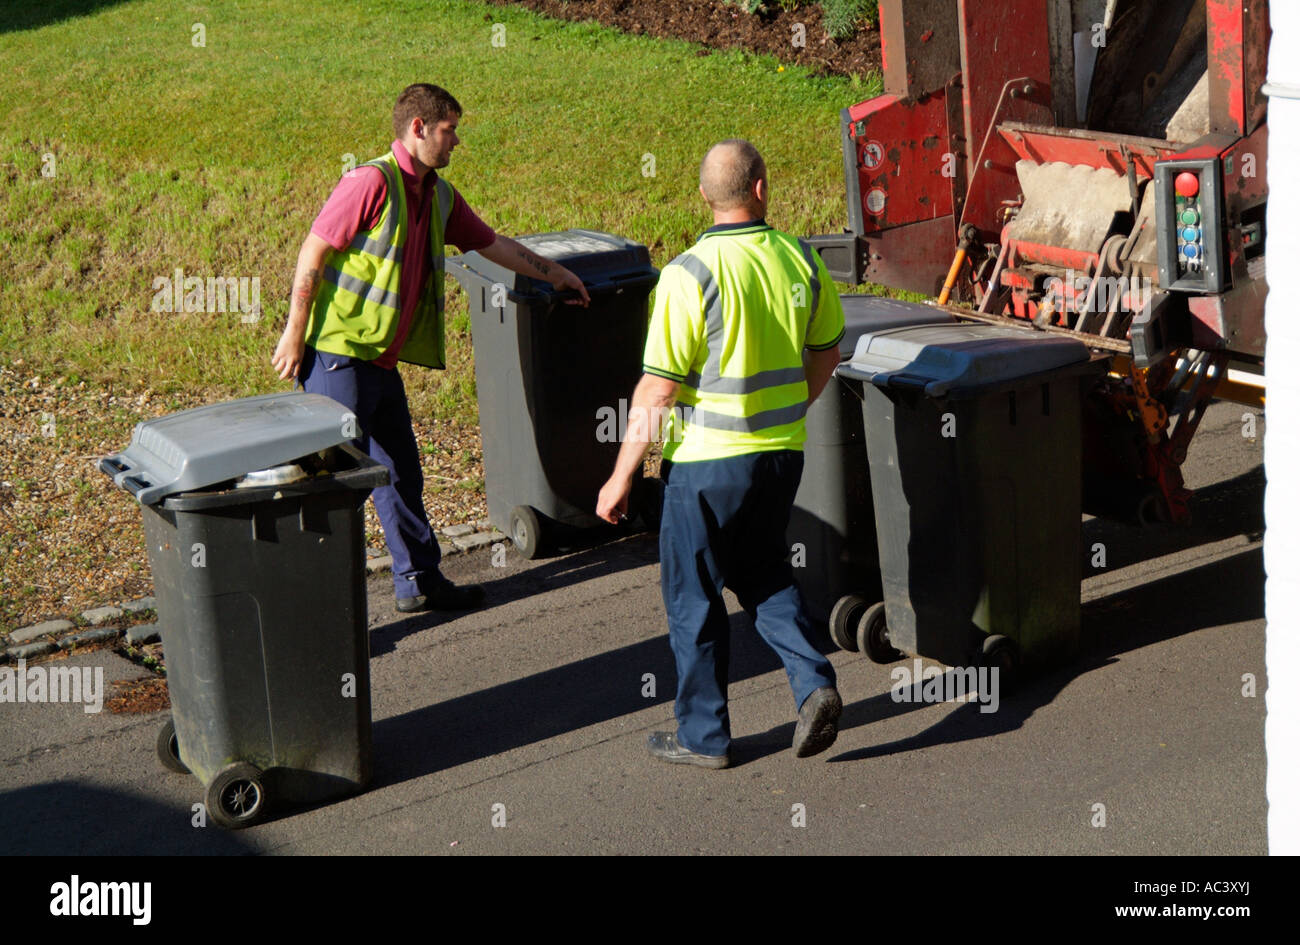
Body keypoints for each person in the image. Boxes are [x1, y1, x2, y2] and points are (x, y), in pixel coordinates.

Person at [272, 83, 590, 613]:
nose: (456, 141)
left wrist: (556, 273)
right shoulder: (369, 182)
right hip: (335, 356)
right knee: (328, 490)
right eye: (449, 130)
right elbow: (315, 249)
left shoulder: (438, 194)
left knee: (400, 473)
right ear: (418, 128)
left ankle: (418, 582)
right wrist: (294, 328)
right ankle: (308, 612)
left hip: (377, 362)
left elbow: (491, 244)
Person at [596, 139, 846, 768]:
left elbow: (657, 386)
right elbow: (826, 354)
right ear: (761, 188)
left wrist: (622, 474)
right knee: (763, 573)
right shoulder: (802, 260)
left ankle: (703, 738)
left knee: (693, 595)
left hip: (707, 465)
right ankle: (814, 684)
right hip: (781, 456)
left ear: (704, 198)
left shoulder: (689, 273)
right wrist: (790, 412)